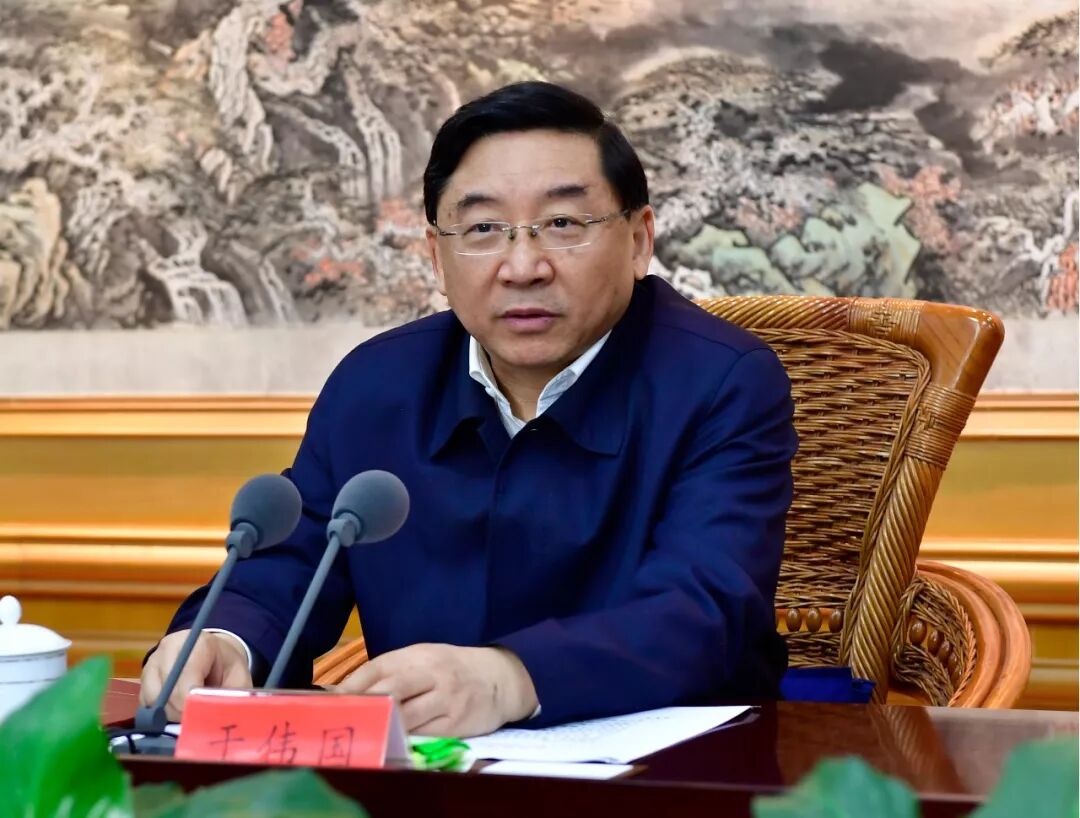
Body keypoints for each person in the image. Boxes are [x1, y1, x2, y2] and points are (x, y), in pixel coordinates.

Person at [140, 81, 797, 738]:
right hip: (425, 772)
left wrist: (512, 677)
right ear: (436, 256)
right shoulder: (377, 384)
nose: (523, 266)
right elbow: (294, 560)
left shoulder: (722, 381)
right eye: (483, 229)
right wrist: (227, 639)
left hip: (673, 769)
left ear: (638, 239)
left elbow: (703, 607)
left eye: (563, 224)